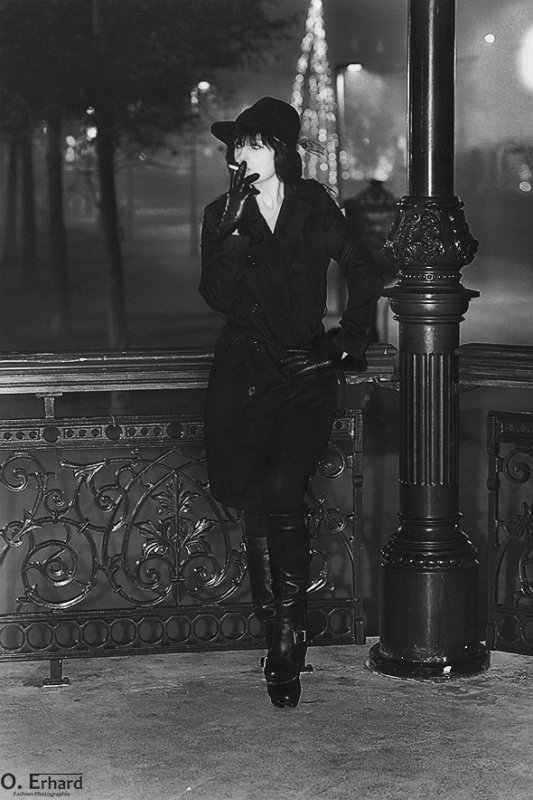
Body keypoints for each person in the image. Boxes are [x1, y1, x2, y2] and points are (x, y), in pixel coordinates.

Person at [199, 96, 382, 709]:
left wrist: (340, 345)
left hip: (304, 375)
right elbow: (217, 296)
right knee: (257, 500)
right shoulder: (221, 213)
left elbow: (364, 268)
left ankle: (289, 634)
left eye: (254, 144)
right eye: (237, 145)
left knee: (282, 487)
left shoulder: (313, 205)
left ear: (280, 151)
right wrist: (231, 227)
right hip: (243, 375)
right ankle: (277, 633)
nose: (242, 155)